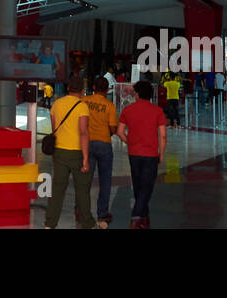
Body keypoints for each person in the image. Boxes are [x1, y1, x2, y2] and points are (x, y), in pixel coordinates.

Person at [44, 72, 93, 229]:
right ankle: (86, 223)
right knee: (82, 190)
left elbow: (54, 129)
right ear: (82, 89)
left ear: (68, 87)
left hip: (59, 152)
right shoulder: (82, 106)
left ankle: (49, 224)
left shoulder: (56, 104)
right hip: (76, 152)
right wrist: (85, 158)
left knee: (57, 190)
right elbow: (83, 132)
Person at [116, 80, 167, 228]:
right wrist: (161, 153)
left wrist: (130, 142)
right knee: (147, 187)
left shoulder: (128, 110)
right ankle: (137, 216)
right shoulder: (157, 111)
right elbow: (163, 136)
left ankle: (144, 218)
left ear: (137, 94)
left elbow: (120, 132)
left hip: (134, 153)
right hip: (151, 154)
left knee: (138, 186)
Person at [83, 76, 118, 228]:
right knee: (105, 181)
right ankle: (102, 213)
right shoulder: (109, 105)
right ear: (107, 89)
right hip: (104, 144)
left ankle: (83, 211)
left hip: (87, 143)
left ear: (94, 87)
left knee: (85, 180)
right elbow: (113, 129)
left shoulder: (84, 101)